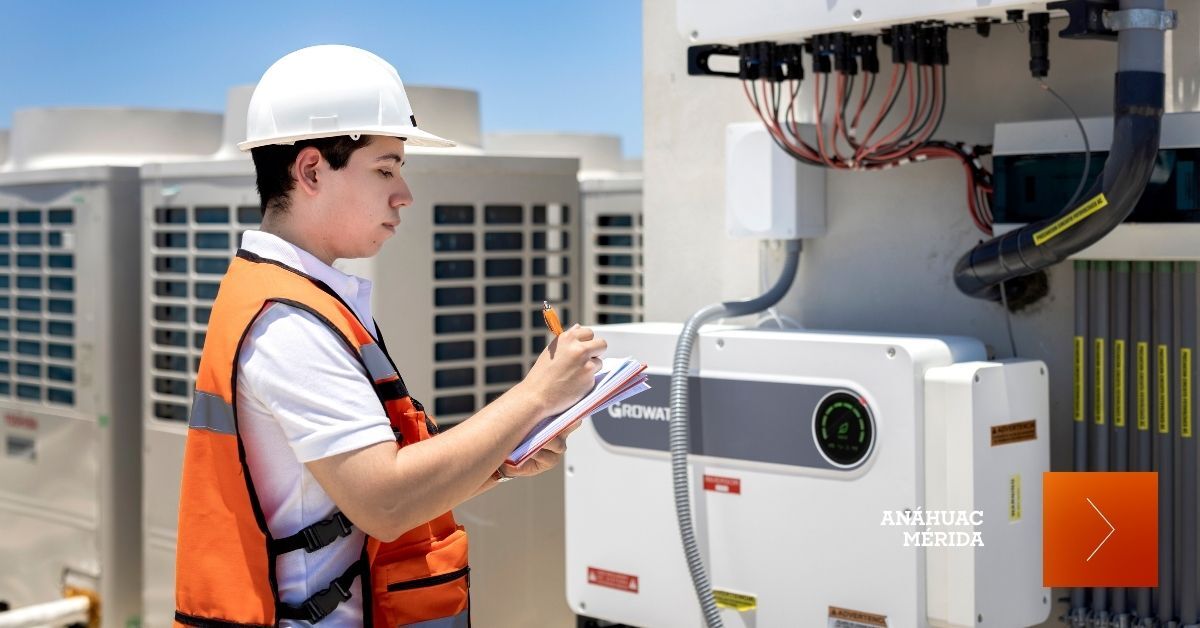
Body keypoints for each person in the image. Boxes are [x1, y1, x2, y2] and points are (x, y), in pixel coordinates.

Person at [173, 45, 605, 627]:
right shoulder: (288, 322)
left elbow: (357, 498)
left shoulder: (298, 297)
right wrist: (536, 395)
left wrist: (497, 462)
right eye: (385, 169)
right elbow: (384, 501)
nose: (404, 194)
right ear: (310, 171)